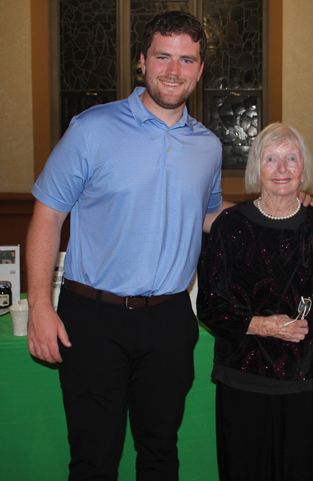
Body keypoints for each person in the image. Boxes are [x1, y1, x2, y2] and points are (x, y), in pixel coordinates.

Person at [26, 10, 231, 481]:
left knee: (160, 454)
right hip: (92, 318)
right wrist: (40, 303)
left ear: (200, 70)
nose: (173, 71)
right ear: (142, 62)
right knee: (94, 460)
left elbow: (206, 215)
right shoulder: (91, 128)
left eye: (186, 60)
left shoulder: (208, 146)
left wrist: (281, 205)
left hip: (169, 320)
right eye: (163, 57)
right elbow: (48, 214)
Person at [197, 123, 313, 481]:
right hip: (243, 376)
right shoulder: (230, 225)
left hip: (307, 378)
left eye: (291, 158)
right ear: (257, 168)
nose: (282, 169)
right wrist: (262, 326)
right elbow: (208, 304)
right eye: (271, 159)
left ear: (303, 168)